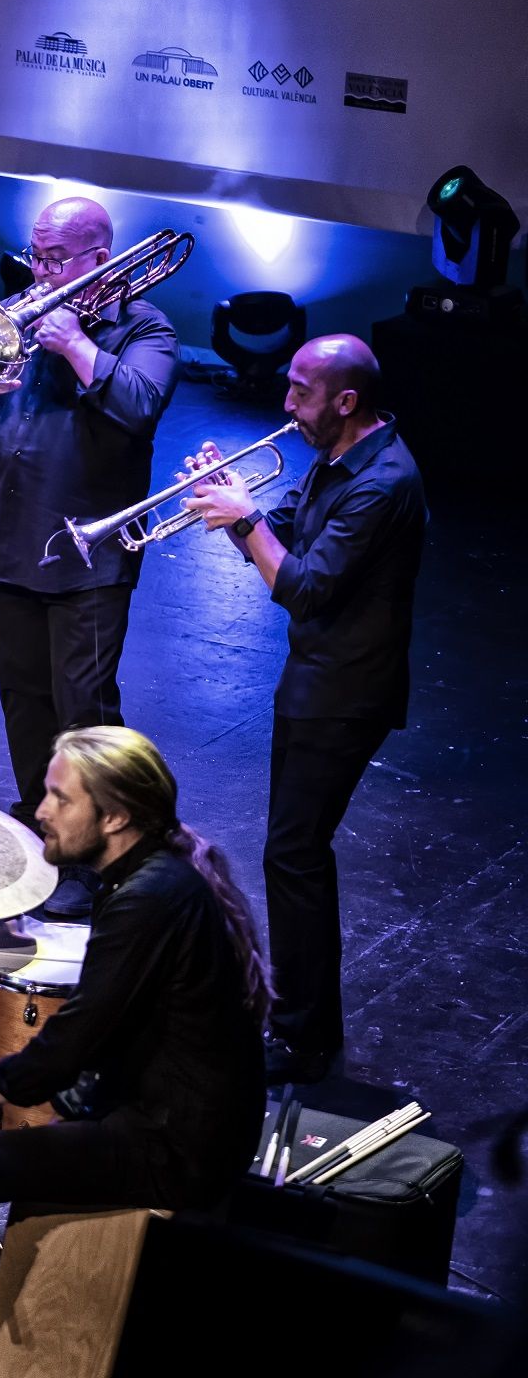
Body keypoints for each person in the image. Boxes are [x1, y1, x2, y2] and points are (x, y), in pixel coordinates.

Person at [0, 726, 268, 1376]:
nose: (40, 812)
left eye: (61, 798)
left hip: (176, 1149)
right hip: (169, 1117)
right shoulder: (155, 879)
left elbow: (71, 1042)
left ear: (114, 816)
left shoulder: (145, 900)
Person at [184, 335, 426, 1084]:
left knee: (295, 856)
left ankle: (304, 1034)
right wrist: (234, 506)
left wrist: (244, 521)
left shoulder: (383, 483)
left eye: (300, 392)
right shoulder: (338, 457)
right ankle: (304, 1022)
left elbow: (303, 587)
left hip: (345, 695)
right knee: (294, 854)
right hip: (315, 681)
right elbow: (282, 537)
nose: (286, 406)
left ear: (344, 401)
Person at [0, 197, 178, 913]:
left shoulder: (146, 326)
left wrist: (76, 342)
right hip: (8, 546)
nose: (38, 270)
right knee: (23, 701)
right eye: (36, 255)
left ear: (97, 261)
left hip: (88, 563)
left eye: (53, 258)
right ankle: (44, 829)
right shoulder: (11, 313)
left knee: (86, 715)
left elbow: (140, 405)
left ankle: (99, 858)